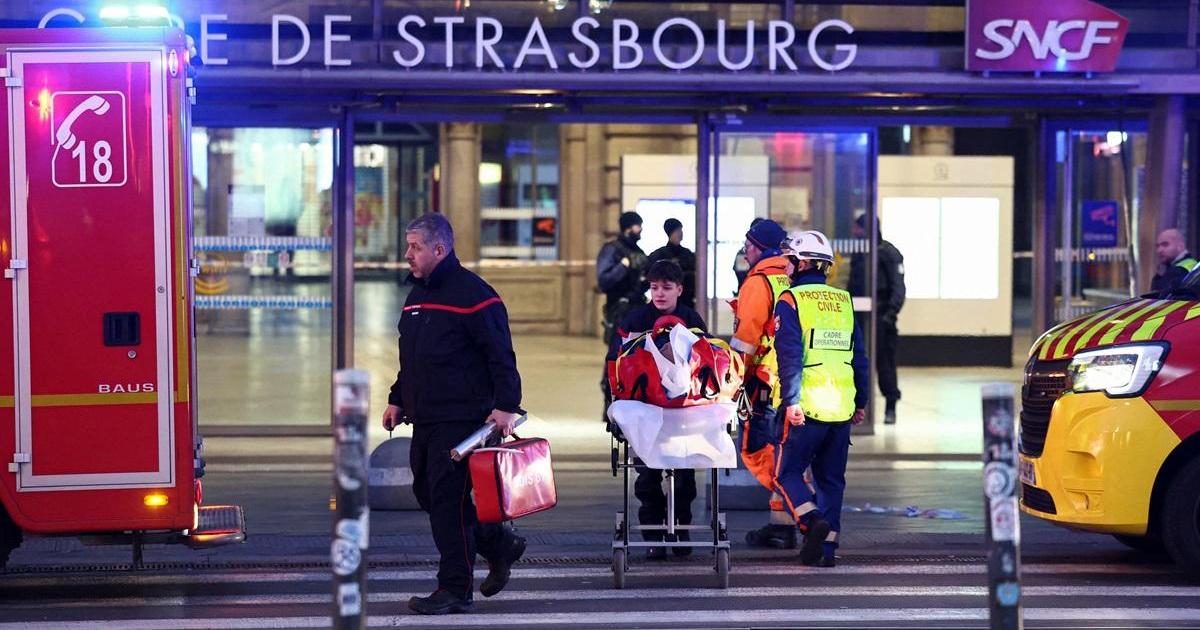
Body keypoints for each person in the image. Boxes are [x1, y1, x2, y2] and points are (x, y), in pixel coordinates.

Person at [382, 213, 527, 615]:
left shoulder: (476, 296)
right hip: (425, 416)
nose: (407, 254)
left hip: (463, 419)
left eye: (415, 247)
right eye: (408, 245)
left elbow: (501, 357)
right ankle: (500, 543)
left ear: (439, 249)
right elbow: (412, 358)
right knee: (428, 493)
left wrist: (505, 407)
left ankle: (454, 588)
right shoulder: (417, 297)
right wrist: (398, 397)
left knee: (448, 502)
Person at [773, 230, 869, 567]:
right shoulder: (844, 301)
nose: (785, 267)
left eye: (788, 261)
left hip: (807, 407)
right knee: (831, 480)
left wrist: (791, 401)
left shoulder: (791, 301)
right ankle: (826, 551)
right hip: (841, 408)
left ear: (802, 263)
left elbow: (788, 357)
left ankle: (811, 521)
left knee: (786, 474)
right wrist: (861, 402)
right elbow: (860, 356)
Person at [606, 260, 707, 560]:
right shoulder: (636, 320)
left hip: (682, 413)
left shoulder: (691, 320)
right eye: (654, 288)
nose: (659, 293)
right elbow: (615, 363)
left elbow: (705, 364)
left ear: (679, 289)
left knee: (684, 477)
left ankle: (680, 529)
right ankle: (652, 533)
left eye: (666, 288)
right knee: (647, 476)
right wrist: (612, 407)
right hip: (644, 412)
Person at [730, 219, 799, 550]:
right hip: (793, 382)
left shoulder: (758, 283)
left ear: (759, 247)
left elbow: (746, 341)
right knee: (785, 449)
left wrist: (732, 383)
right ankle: (782, 523)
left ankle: (802, 507)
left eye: (748, 244)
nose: (745, 250)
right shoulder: (789, 275)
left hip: (764, 381)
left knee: (756, 449)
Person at [849, 214, 906, 424]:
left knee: (885, 365)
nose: (855, 233)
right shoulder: (860, 252)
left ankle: (890, 405)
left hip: (881, 316)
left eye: (859, 229)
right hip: (859, 317)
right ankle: (860, 408)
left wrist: (890, 314)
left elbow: (898, 288)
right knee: (858, 363)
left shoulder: (888, 253)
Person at [597, 211, 650, 346]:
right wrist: (623, 266)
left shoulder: (639, 252)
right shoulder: (612, 249)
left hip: (638, 308)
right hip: (618, 310)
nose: (641, 229)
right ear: (628, 228)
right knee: (616, 355)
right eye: (638, 226)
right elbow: (604, 280)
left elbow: (644, 281)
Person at [647, 218, 698, 310]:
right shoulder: (658, 255)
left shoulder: (688, 254)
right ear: (670, 233)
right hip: (664, 305)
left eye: (681, 230)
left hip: (687, 302)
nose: (680, 234)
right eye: (677, 231)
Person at [1151, 228, 1198, 294]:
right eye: (1157, 246)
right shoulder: (1192, 264)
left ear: (1181, 246)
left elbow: (1160, 298)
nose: (1159, 250)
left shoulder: (1179, 270)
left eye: (1165, 245)